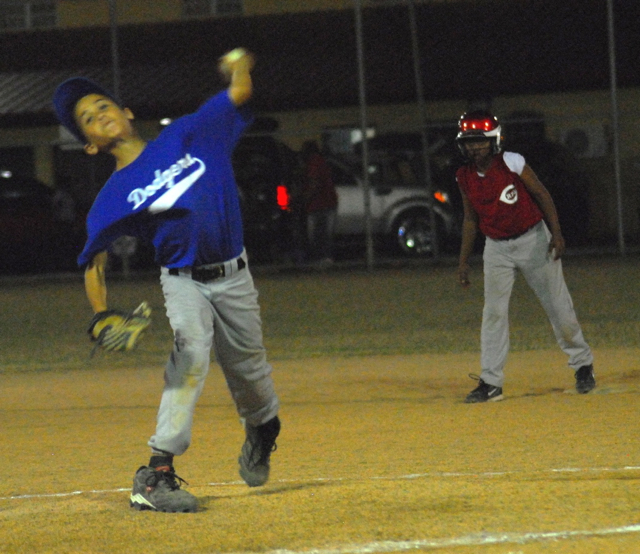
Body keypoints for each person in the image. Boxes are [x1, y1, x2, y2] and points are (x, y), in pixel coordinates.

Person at [52, 48, 280, 513]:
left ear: (126, 112)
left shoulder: (189, 133)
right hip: (182, 280)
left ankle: (263, 430)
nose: (98, 115)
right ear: (90, 144)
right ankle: (156, 473)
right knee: (191, 350)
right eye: (87, 120)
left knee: (250, 375)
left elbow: (239, 92)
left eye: (102, 105)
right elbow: (94, 263)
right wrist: (100, 314)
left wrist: (237, 64)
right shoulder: (113, 198)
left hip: (235, 274)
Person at [454, 110, 595, 403]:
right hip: (496, 247)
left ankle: (582, 365)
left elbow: (542, 194)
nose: (473, 147)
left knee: (557, 305)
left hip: (533, 239)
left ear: (494, 140)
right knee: (493, 313)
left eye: (479, 141)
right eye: (468, 142)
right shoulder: (464, 176)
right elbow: (470, 219)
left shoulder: (511, 162)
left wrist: (556, 233)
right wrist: (463, 260)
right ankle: (491, 382)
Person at [300, 140, 338, 267]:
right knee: (324, 234)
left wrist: (304, 199)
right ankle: (324, 258)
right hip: (326, 203)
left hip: (320, 204)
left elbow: (314, 184)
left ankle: (322, 259)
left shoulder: (314, 162)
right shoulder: (321, 161)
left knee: (317, 235)